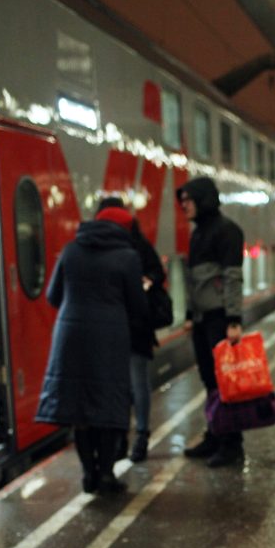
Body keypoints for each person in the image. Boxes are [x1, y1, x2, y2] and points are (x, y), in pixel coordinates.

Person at [36, 206, 148, 493]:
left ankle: (88, 475)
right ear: (124, 229)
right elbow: (137, 306)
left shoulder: (71, 250)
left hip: (70, 336)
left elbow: (52, 295)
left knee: (79, 408)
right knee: (108, 404)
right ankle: (107, 474)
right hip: (110, 338)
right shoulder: (127, 257)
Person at [178, 176, 245, 467]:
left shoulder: (227, 231)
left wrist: (233, 319)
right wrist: (191, 315)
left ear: (203, 200)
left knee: (225, 382)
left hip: (220, 319)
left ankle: (232, 444)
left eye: (188, 202)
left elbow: (232, 278)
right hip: (203, 319)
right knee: (209, 381)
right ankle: (214, 434)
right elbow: (194, 282)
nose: (184, 208)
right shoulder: (198, 233)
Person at [95, 197, 168, 464]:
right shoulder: (105, 246)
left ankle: (140, 437)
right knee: (122, 386)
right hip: (114, 326)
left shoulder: (135, 245)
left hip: (136, 325)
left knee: (137, 384)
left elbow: (157, 273)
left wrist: (145, 282)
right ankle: (123, 438)